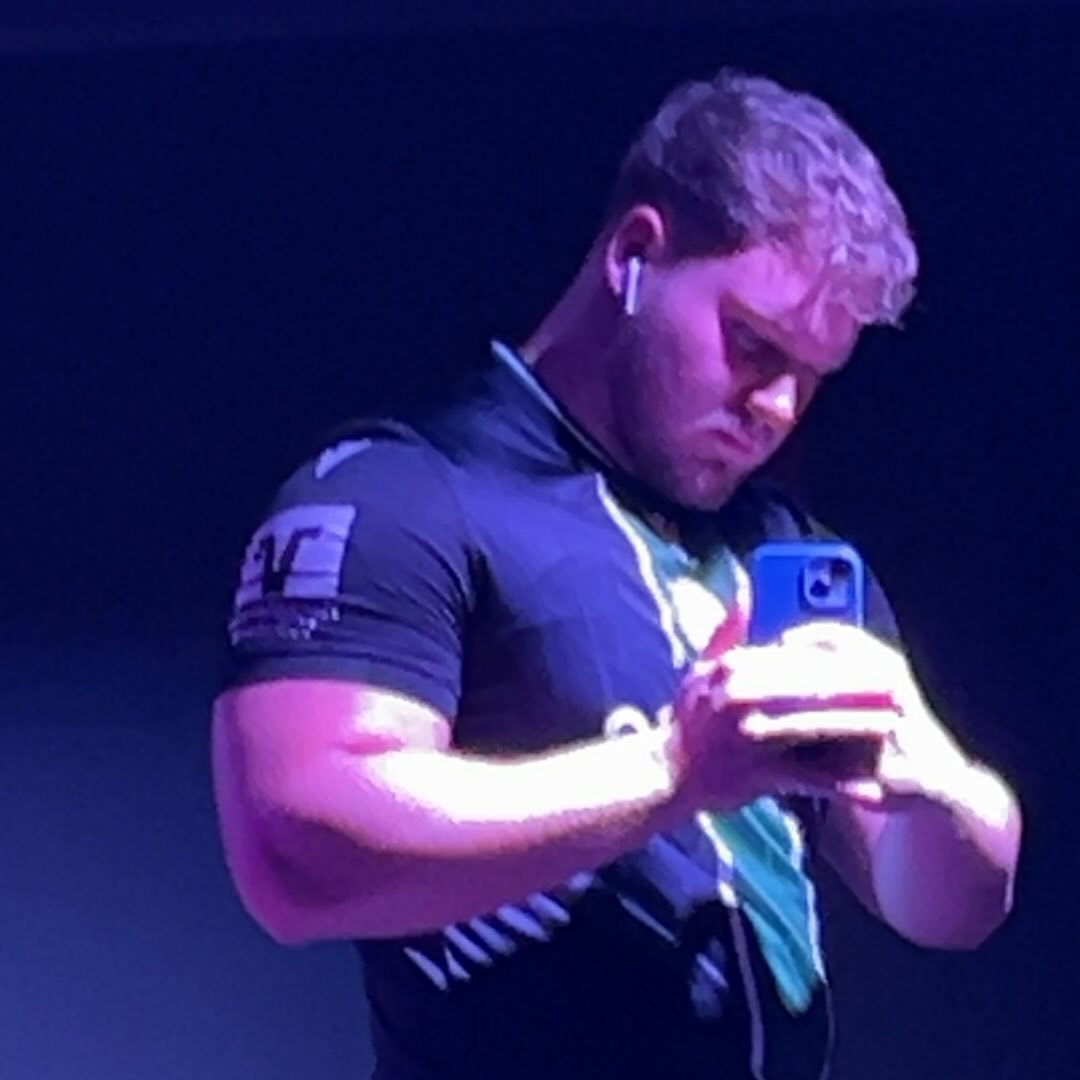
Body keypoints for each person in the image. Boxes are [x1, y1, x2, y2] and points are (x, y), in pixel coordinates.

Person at [211, 69, 1022, 1080]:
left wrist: (945, 792)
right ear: (637, 256)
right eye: (752, 345)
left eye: (811, 377)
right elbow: (296, 854)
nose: (777, 406)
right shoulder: (403, 492)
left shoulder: (782, 551)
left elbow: (945, 911)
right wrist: (674, 772)